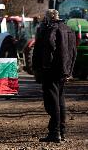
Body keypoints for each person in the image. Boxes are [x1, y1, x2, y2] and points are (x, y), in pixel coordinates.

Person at [33, 9, 77, 143]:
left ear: (48, 18)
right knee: (60, 100)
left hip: (51, 70)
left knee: (52, 102)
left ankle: (55, 132)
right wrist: (69, 70)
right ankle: (62, 132)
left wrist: (44, 66)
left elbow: (49, 46)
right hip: (64, 70)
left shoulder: (50, 29)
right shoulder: (68, 29)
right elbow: (74, 51)